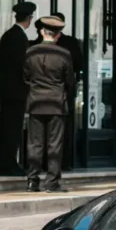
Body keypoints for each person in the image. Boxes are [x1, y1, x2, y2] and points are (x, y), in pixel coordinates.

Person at [23, 16, 74, 193]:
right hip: (57, 104)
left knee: (34, 144)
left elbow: (25, 77)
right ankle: (51, 182)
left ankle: (32, 181)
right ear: (58, 35)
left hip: (36, 103)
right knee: (55, 145)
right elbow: (70, 82)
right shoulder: (64, 54)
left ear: (41, 31)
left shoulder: (31, 52)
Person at [33, 11, 83, 169]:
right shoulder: (38, 46)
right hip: (53, 96)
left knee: (48, 136)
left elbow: (78, 66)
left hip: (49, 96)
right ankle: (51, 169)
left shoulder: (68, 44)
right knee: (50, 136)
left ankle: (48, 167)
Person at [0, 1, 36, 176]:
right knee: (13, 127)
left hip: (5, 89)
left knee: (6, 126)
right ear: (29, 18)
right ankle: (9, 163)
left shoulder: (7, 35)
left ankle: (4, 162)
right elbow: (22, 65)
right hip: (16, 91)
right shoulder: (20, 37)